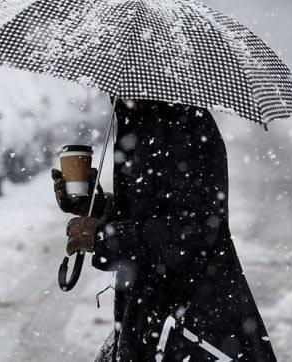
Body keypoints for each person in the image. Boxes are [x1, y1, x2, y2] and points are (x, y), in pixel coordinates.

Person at [52, 99, 276, 361]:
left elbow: (194, 229)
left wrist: (104, 238)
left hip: (189, 320)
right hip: (153, 316)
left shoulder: (181, 124)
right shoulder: (140, 116)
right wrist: (97, 207)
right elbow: (151, 209)